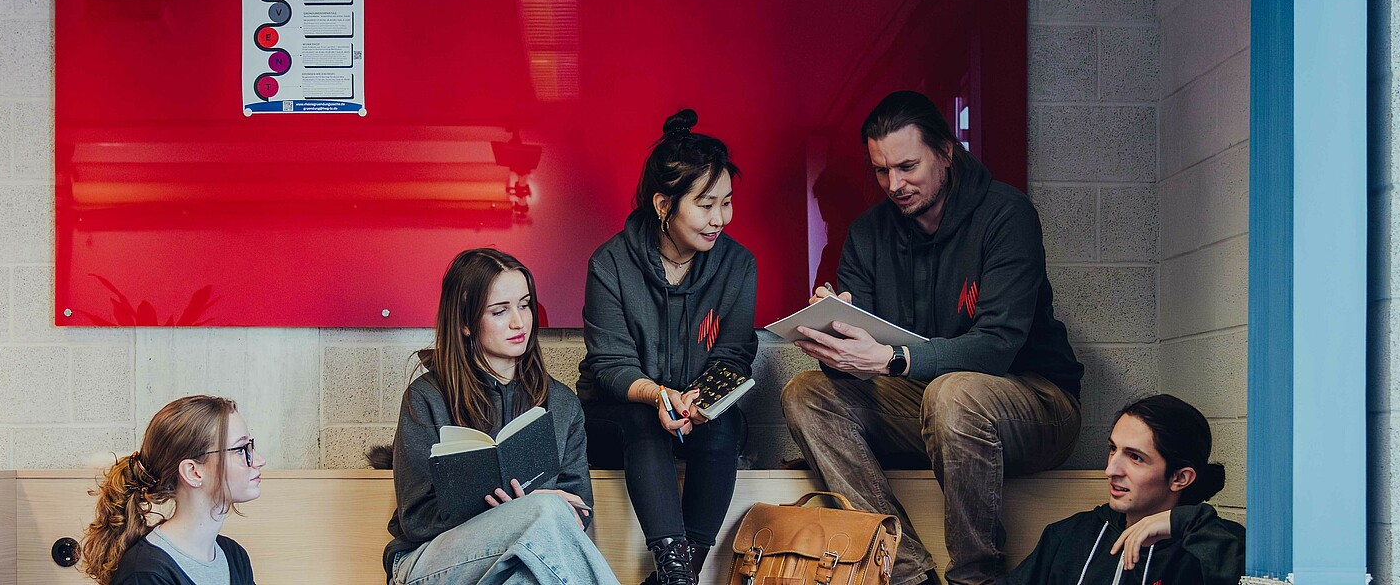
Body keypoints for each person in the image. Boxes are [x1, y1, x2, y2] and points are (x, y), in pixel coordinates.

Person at [782, 90, 1084, 585]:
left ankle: (976, 576)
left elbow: (997, 345)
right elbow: (859, 365)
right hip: (927, 407)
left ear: (946, 152)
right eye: (881, 171)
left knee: (954, 391)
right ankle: (905, 573)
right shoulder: (866, 234)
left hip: (1036, 401)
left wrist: (891, 359)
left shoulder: (1007, 215)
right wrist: (833, 335)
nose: (894, 184)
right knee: (804, 395)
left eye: (907, 166)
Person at [580, 108, 758, 585]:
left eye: (727, 202)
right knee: (644, 422)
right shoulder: (610, 264)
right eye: (705, 205)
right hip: (621, 413)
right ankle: (675, 569)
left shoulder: (739, 265)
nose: (720, 218)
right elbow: (611, 366)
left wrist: (700, 401)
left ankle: (679, 576)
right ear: (663, 205)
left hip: (696, 412)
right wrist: (658, 395)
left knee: (723, 427)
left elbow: (733, 355)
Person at [379, 248, 620, 585]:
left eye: (524, 305)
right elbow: (415, 520)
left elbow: (579, 511)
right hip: (428, 563)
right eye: (499, 311)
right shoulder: (427, 397)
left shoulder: (561, 403)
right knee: (544, 511)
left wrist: (529, 514)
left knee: (523, 578)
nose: (519, 322)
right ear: (465, 322)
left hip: (524, 559)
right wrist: (512, 511)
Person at [1003, 395, 1244, 585]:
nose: (1111, 469)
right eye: (1113, 449)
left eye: (1135, 457)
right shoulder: (1068, 537)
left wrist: (1186, 522)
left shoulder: (1216, 547)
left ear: (1180, 478)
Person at [78, 395, 266, 585]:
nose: (259, 461)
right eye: (241, 450)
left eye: (249, 446)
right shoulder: (144, 574)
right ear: (193, 472)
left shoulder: (235, 556)